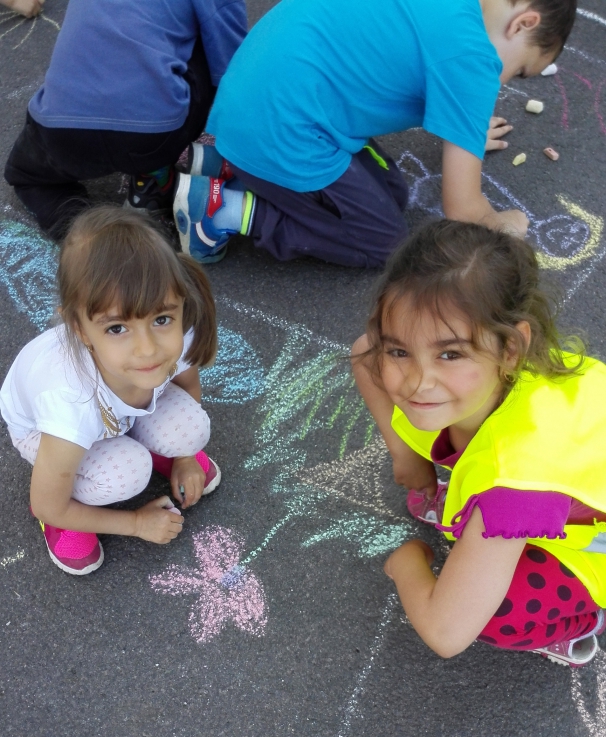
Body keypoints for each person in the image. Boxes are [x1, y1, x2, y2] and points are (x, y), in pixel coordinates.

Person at [352, 219, 606, 668]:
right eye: (400, 351)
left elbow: (445, 632)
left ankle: (586, 619)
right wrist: (404, 455)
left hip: (589, 542)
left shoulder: (513, 481)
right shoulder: (495, 372)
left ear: (511, 349)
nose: (417, 381)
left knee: (498, 614)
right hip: (555, 480)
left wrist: (406, 562)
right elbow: (364, 352)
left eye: (450, 354)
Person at [172, 0, 576, 268]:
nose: (505, 80)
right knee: (383, 242)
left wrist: (463, 131)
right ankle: (220, 211)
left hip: (252, 93)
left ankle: (225, 161)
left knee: (394, 193)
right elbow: (465, 210)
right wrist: (501, 221)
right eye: (519, 70)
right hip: (279, 126)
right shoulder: (474, 59)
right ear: (523, 24)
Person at [0, 207, 221, 576]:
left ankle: (149, 445)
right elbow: (45, 503)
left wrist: (184, 458)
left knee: (191, 430)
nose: (148, 349)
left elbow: (187, 386)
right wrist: (136, 523)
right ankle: (66, 522)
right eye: (117, 328)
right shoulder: (69, 401)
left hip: (114, 414)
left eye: (161, 319)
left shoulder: (177, 333)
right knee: (127, 472)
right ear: (80, 329)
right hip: (45, 433)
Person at [3, 0, 246, 240]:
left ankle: (88, 237)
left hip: (61, 129)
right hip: (153, 134)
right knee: (215, 35)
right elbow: (234, 69)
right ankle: (153, 179)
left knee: (27, 175)